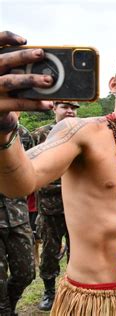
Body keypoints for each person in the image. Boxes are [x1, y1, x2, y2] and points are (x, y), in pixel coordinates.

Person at [0, 31, 116, 314]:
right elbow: (20, 181)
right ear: (114, 84)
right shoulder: (80, 132)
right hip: (87, 300)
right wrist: (4, 129)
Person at [32, 101, 79, 311]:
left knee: (78, 253)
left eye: (74, 107)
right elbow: (29, 167)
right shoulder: (40, 135)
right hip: (50, 209)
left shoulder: (83, 132)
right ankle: (49, 291)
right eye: (65, 106)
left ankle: (74, 292)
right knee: (50, 254)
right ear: (54, 109)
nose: (70, 111)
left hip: (78, 209)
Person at [0, 123, 35, 315]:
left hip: (18, 215)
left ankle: (7, 307)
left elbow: (30, 170)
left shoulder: (23, 134)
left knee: (26, 273)